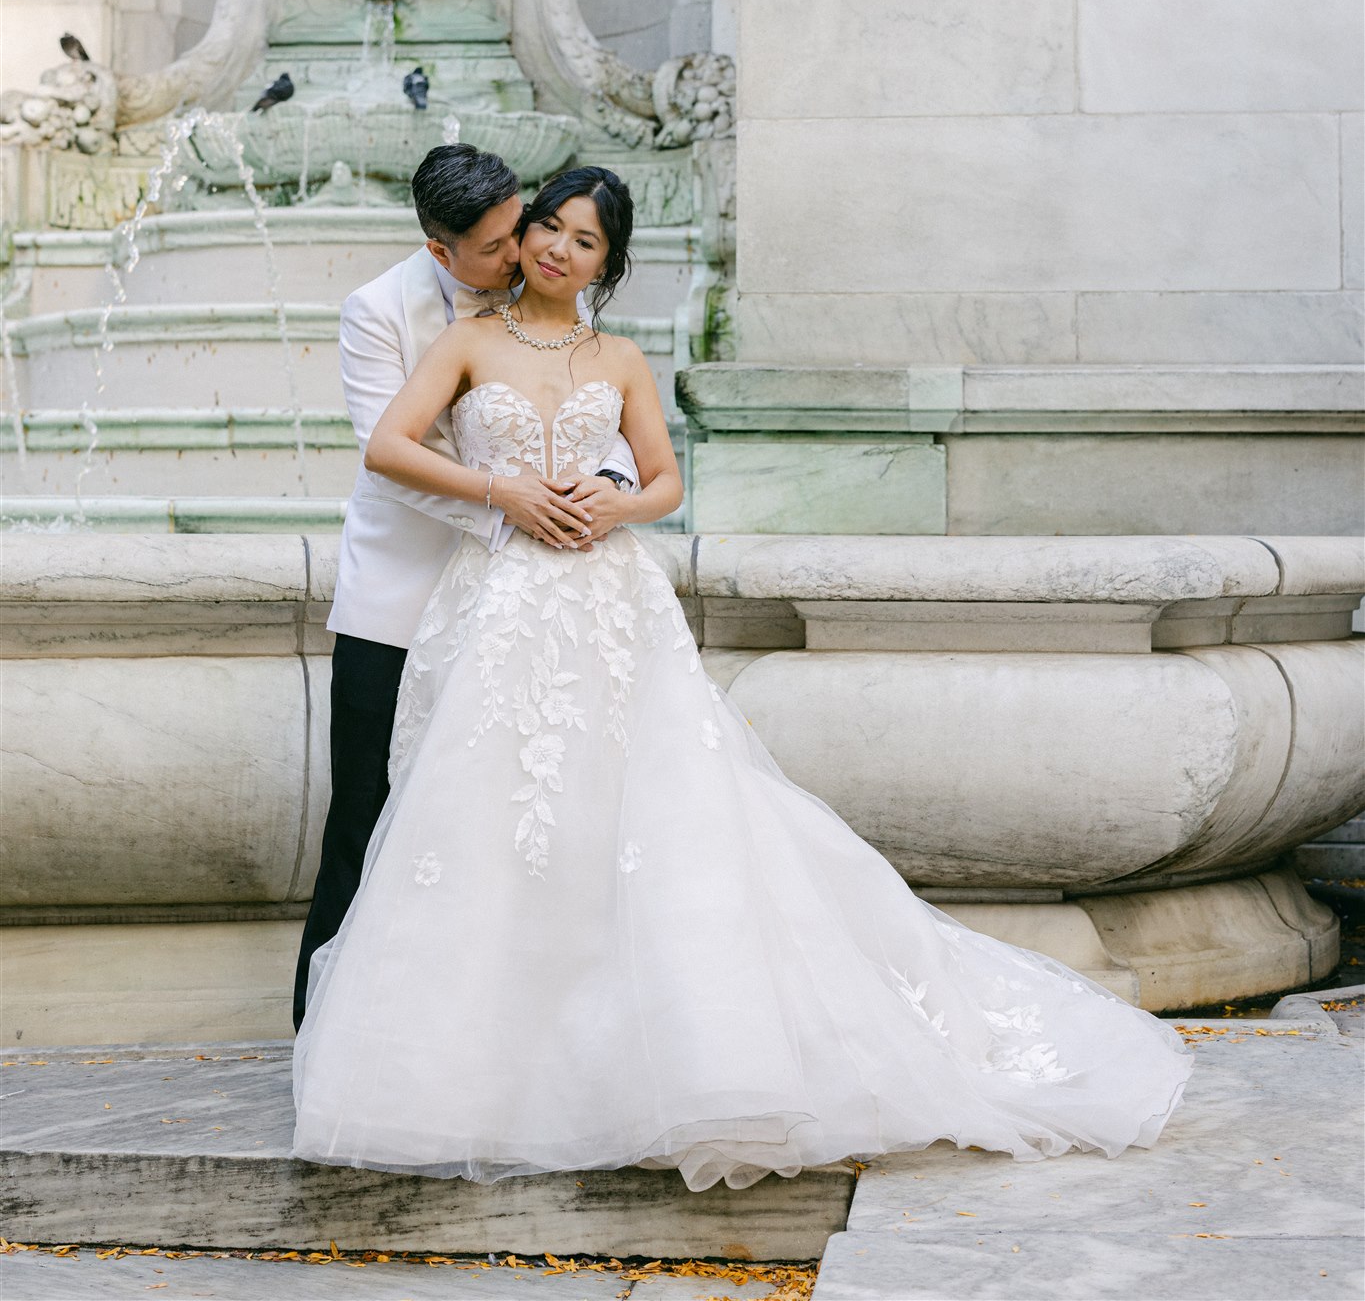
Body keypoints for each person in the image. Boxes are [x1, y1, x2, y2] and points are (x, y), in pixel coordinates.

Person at [292, 164, 1190, 1189]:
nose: (554, 248)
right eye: (546, 227)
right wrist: (507, 492)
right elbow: (387, 444)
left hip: (606, 598)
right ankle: (477, 1065)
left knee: (648, 805)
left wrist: (615, 504)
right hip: (501, 603)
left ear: (608, 262)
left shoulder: (622, 357)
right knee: (496, 813)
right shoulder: (464, 339)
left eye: (583, 239)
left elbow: (667, 478)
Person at [291, 144, 638, 1030]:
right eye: (495, 244)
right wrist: (510, 507)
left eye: (522, 224)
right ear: (442, 253)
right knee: (366, 805)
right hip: (405, 592)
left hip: (525, 592)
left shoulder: (552, 301)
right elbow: (395, 462)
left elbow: (596, 418)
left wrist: (610, 488)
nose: (523, 247)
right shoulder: (377, 312)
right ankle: (325, 1027)